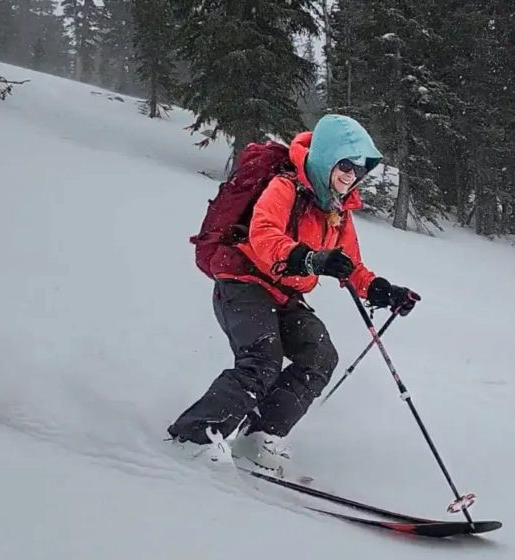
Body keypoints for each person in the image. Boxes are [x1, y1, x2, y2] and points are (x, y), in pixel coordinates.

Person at [167, 115, 420, 471]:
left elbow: (351, 266)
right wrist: (312, 259)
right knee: (263, 358)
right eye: (344, 165)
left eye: (358, 169)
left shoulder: (336, 210)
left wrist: (382, 290)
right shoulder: (286, 187)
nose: (351, 175)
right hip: (243, 282)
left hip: (285, 295)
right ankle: (192, 435)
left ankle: (258, 435)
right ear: (326, 158)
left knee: (320, 355)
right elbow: (264, 235)